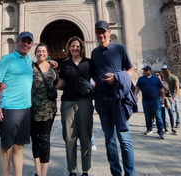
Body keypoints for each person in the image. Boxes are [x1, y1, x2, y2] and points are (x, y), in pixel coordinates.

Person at [90, 20, 136, 176]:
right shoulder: (94, 53)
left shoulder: (119, 49)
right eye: (98, 32)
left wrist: (117, 77)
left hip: (118, 100)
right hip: (102, 101)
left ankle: (130, 173)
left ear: (109, 32)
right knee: (109, 139)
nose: (101, 35)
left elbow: (131, 70)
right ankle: (116, 173)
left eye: (103, 32)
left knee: (124, 139)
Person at [0, 31, 34, 176]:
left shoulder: (29, 61)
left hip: (25, 109)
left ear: (31, 45)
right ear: (17, 42)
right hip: (10, 108)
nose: (25, 44)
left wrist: (52, 62)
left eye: (28, 42)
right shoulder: (7, 59)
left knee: (19, 146)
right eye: (23, 41)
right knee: (6, 147)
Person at [56, 37, 93, 176]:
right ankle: (72, 170)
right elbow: (59, 84)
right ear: (69, 47)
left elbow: (98, 79)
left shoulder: (88, 63)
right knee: (69, 137)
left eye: (77, 46)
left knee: (85, 136)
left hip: (85, 102)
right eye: (72, 46)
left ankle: (85, 170)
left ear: (81, 47)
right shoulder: (65, 64)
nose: (75, 48)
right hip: (68, 102)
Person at [30, 43, 58, 176]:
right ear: (35, 53)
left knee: (44, 141)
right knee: (35, 140)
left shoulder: (53, 67)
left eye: (43, 51)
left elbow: (59, 82)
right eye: (39, 51)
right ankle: (37, 171)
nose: (41, 53)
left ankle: (44, 174)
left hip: (48, 110)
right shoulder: (29, 67)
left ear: (47, 54)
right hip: (32, 110)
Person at [134, 66, 165, 139]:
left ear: (150, 71)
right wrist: (135, 95)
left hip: (155, 99)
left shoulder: (156, 79)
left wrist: (163, 98)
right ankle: (149, 129)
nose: (144, 71)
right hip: (146, 100)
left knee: (158, 115)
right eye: (144, 70)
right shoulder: (141, 79)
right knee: (147, 116)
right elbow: (137, 88)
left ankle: (160, 131)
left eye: (146, 70)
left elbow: (161, 88)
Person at [155, 71, 177, 135]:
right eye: (155, 75)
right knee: (163, 115)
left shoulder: (165, 83)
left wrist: (171, 98)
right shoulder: (155, 84)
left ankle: (172, 128)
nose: (157, 76)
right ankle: (165, 128)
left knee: (171, 113)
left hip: (167, 99)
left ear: (161, 76)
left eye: (158, 75)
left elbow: (168, 91)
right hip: (160, 99)